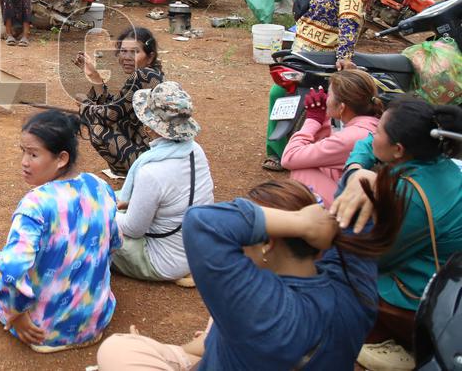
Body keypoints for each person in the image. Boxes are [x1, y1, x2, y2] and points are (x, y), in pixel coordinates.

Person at [97, 178, 403, 371]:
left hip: (245, 346)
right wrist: (362, 178)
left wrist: (304, 223)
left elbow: (203, 223)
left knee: (116, 349)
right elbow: (358, 216)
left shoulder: (259, 310)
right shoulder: (352, 289)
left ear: (267, 243)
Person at [0, 110, 120, 353]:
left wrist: (16, 312)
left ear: (61, 159)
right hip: (96, 322)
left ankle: (25, 314)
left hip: (42, 330)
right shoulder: (100, 186)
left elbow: (12, 269)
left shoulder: (36, 203)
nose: (24, 161)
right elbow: (113, 243)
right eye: (23, 151)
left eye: (33, 154)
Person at [331, 96, 462, 368]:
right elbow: (368, 143)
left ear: (399, 149)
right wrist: (356, 171)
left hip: (424, 300)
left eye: (379, 129)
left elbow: (377, 257)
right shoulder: (440, 162)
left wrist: (350, 186)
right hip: (449, 277)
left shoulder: (410, 196)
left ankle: (383, 339)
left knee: (337, 266)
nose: (372, 133)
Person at [263, 0, 367, 171]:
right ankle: (281, 149)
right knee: (282, 93)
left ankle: (288, 152)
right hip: (302, 51)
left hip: (324, 57)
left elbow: (350, 18)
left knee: (291, 95)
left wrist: (344, 55)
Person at [111, 82, 213, 283]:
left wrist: (100, 212)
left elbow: (133, 229)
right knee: (113, 198)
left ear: (149, 126)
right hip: (196, 249)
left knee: (87, 226)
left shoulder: (151, 172)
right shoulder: (195, 150)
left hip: (163, 261)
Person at [281, 70, 382, 207]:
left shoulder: (351, 137)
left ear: (342, 107)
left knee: (302, 171)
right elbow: (322, 153)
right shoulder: (369, 124)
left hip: (352, 207)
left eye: (329, 94)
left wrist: (313, 120)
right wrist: (322, 119)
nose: (326, 98)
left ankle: (323, 218)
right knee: (311, 165)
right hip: (362, 194)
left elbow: (290, 157)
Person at [76, 26, 164, 179]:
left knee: (98, 129)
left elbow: (109, 115)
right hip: (157, 154)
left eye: (134, 52)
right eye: (123, 51)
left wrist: (85, 105)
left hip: (154, 162)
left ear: (150, 57)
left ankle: (135, 175)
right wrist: (94, 75)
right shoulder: (152, 75)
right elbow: (116, 106)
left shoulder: (144, 76)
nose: (127, 57)